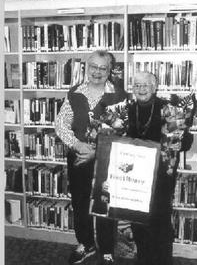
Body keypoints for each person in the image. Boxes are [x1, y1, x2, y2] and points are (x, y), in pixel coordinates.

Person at [96, 71, 194, 265]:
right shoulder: (125, 110)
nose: (141, 89)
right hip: (134, 181)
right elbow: (108, 136)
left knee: (161, 225)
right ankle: (144, 259)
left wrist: (179, 142)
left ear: (154, 87)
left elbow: (186, 141)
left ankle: (163, 261)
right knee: (138, 224)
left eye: (145, 85)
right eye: (137, 86)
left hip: (160, 180)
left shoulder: (168, 109)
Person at [55, 50, 127, 264]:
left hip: (107, 160)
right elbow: (60, 124)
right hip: (78, 156)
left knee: (106, 203)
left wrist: (97, 151)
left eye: (103, 68)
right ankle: (85, 243)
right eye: (93, 67)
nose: (97, 72)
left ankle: (106, 248)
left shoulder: (119, 96)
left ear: (109, 70)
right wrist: (77, 144)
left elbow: (122, 130)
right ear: (87, 68)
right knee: (79, 203)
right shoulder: (75, 93)